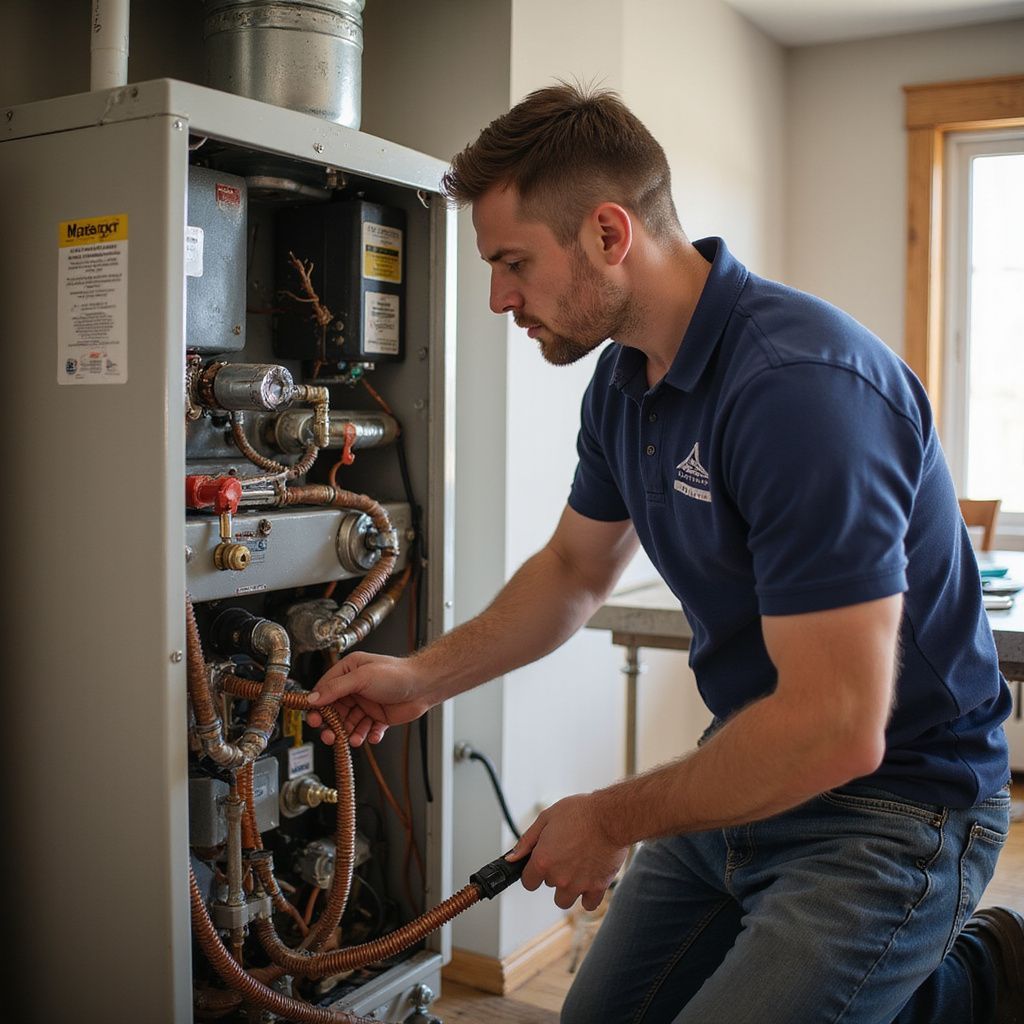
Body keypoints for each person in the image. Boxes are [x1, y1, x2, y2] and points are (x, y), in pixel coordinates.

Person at [307, 83, 1023, 1023]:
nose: (498, 298)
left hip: (896, 804)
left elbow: (841, 726)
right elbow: (574, 572)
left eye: (513, 262)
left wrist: (607, 819)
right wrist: (424, 678)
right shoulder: (622, 382)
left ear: (609, 233)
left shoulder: (800, 389)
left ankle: (976, 982)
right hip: (753, 764)